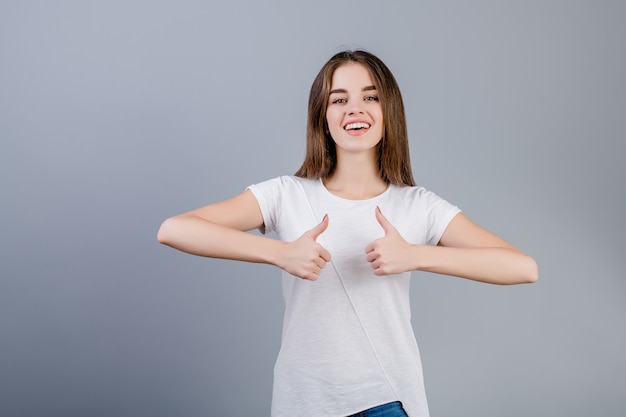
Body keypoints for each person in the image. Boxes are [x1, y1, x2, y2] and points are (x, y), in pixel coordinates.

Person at [157, 50, 538, 417]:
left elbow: (522, 268)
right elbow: (175, 229)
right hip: (305, 400)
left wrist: (416, 256)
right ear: (323, 117)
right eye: (339, 100)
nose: (355, 108)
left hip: (390, 400)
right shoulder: (285, 194)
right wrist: (280, 253)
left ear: (389, 111)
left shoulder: (418, 205)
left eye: (370, 97)